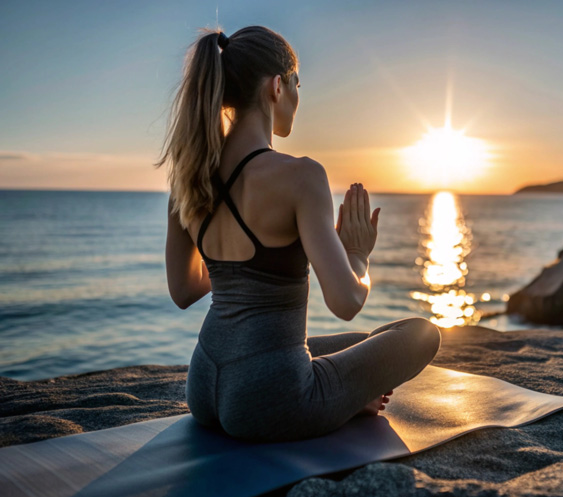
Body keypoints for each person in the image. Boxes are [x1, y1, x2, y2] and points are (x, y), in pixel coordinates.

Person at [155, 26, 441, 443]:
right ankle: (344, 400)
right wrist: (358, 255)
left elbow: (183, 291)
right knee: (421, 334)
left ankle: (349, 396)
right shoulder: (301, 176)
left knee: (364, 343)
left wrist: (234, 269)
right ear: (277, 86)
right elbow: (346, 301)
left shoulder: (188, 178)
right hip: (269, 400)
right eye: (297, 85)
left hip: (203, 387)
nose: (298, 97)